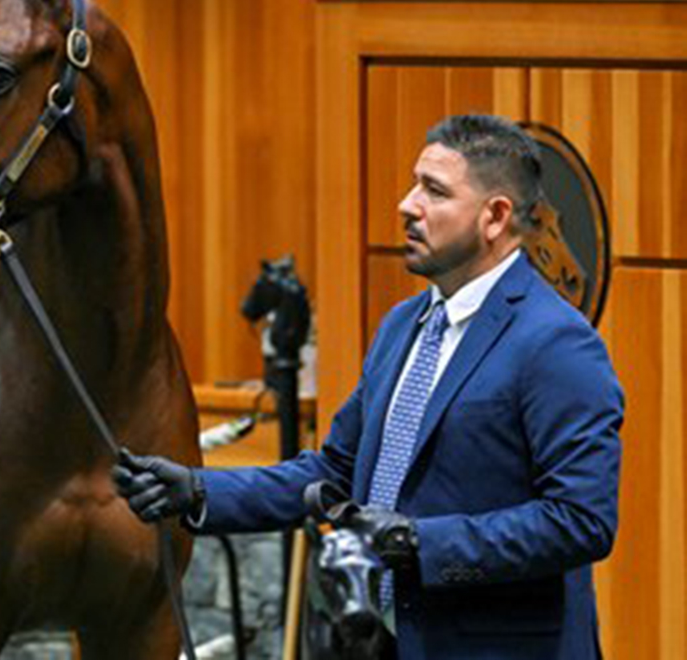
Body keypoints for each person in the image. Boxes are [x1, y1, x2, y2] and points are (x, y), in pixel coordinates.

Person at [114, 114, 624, 659]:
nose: (407, 205)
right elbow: (336, 473)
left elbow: (581, 521)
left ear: (495, 216)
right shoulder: (403, 326)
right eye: (413, 183)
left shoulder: (556, 343)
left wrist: (421, 543)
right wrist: (196, 491)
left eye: (433, 190)